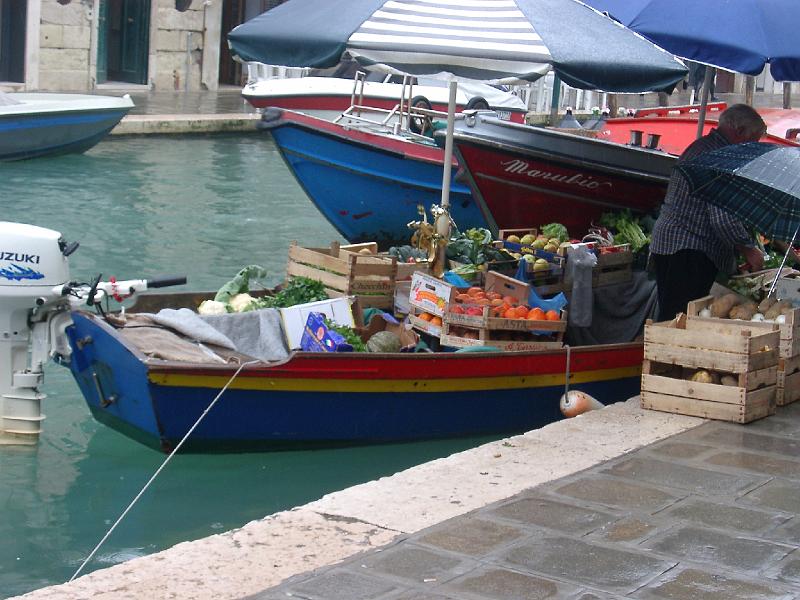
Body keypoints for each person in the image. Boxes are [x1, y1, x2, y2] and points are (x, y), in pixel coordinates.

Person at [650, 104, 767, 321]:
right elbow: (722, 217)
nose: (754, 146)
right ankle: (667, 355)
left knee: (673, 316)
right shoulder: (720, 157)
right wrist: (749, 249)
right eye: (753, 140)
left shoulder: (702, 146)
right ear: (739, 131)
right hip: (688, 248)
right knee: (680, 318)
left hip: (673, 243)